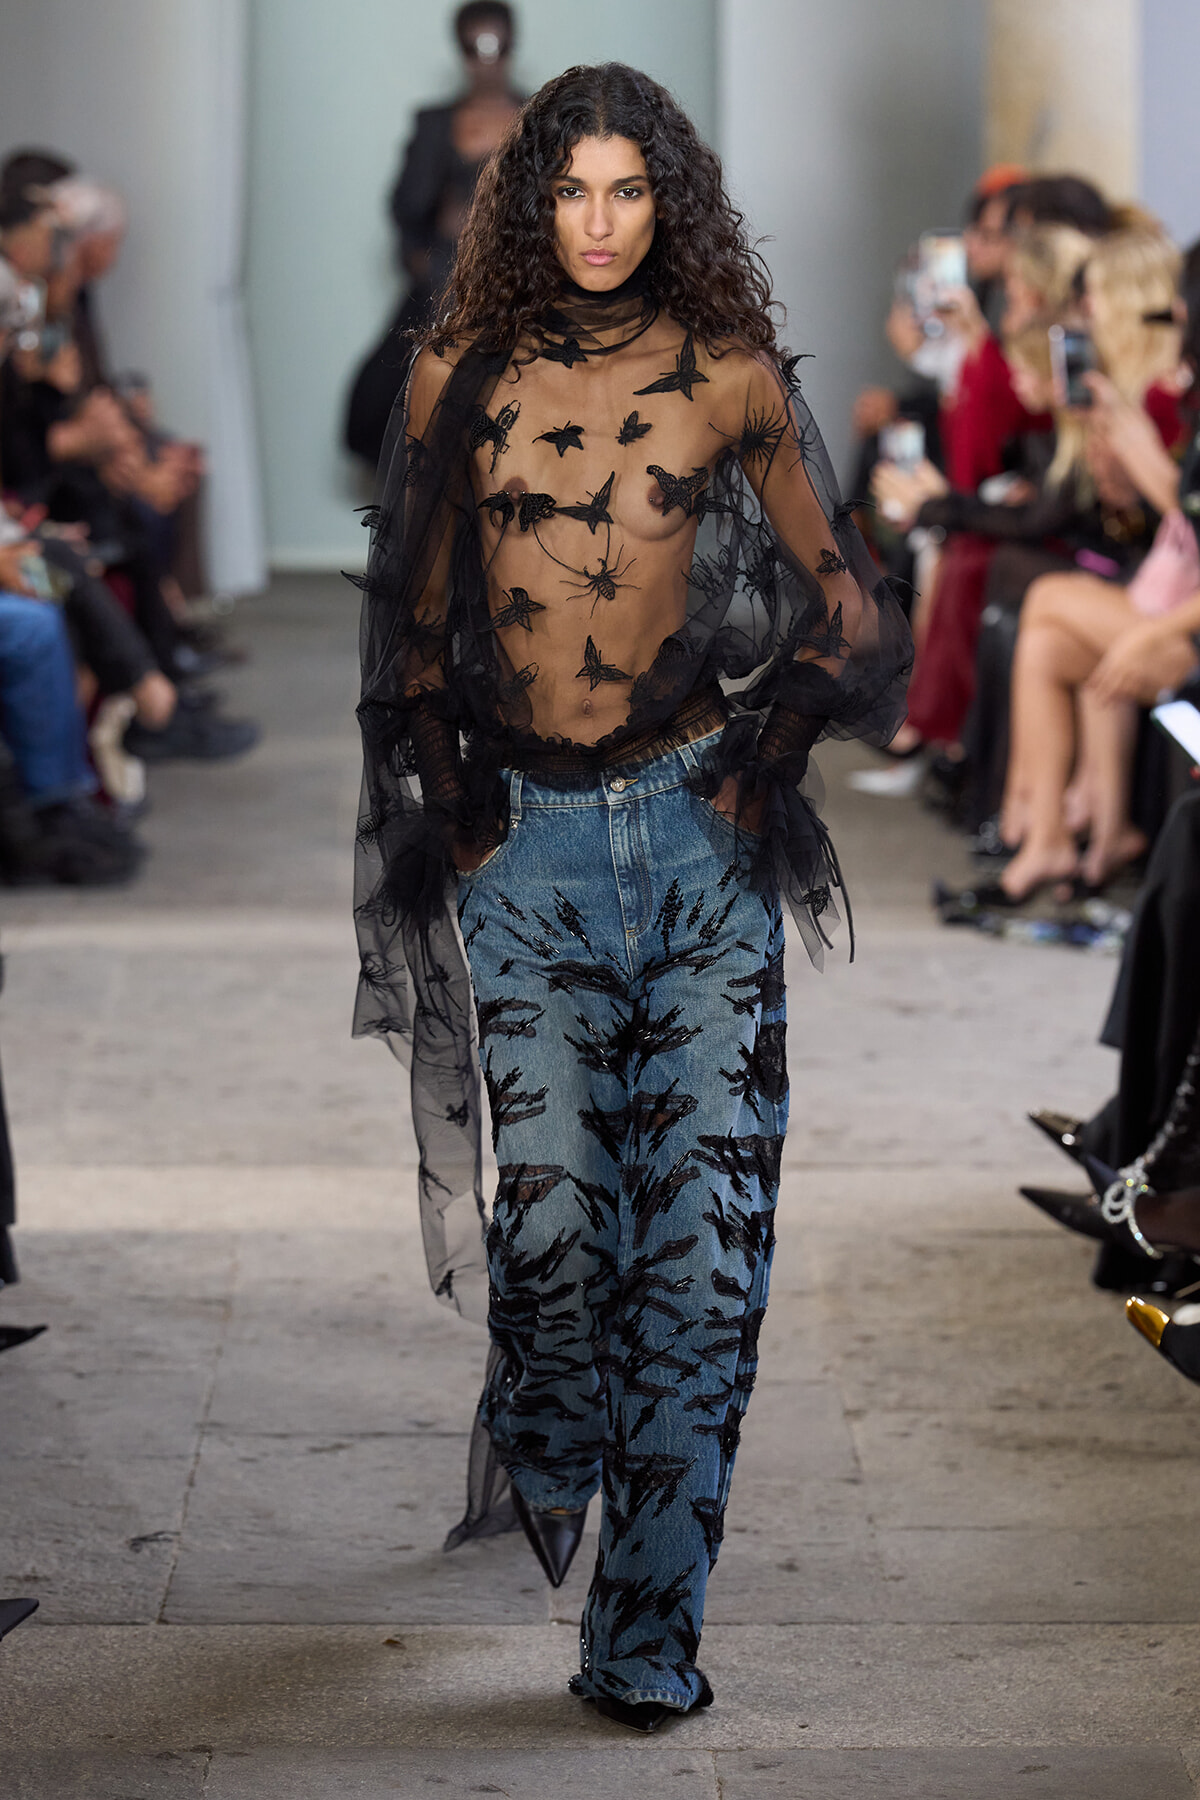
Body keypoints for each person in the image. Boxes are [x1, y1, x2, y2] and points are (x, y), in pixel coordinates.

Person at [354, 62, 911, 1730]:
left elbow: (850, 607)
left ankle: (647, 1633)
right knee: (559, 1234)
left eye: (631, 192)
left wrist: (767, 756)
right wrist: (451, 794)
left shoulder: (729, 376)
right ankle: (547, 1407)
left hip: (697, 847)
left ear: (670, 204)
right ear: (535, 202)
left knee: (708, 1262)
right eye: (573, 191)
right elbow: (413, 617)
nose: (601, 223)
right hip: (524, 854)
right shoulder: (458, 374)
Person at [344, 2, 523, 466]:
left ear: (511, 46)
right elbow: (405, 207)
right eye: (474, 48)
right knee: (396, 399)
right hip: (445, 279)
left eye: (496, 46)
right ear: (459, 51)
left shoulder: (538, 117)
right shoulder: (435, 122)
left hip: (518, 281)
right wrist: (424, 260)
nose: (486, 61)